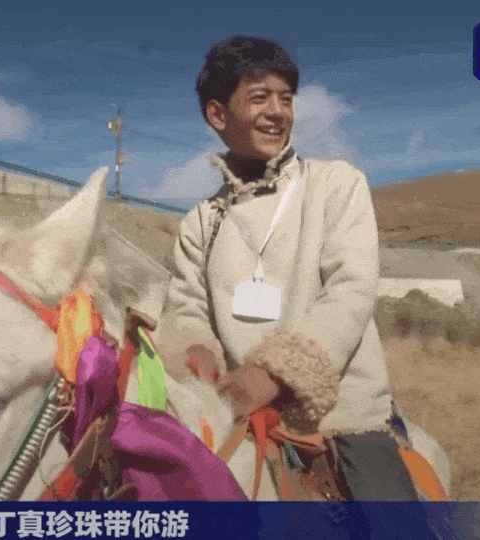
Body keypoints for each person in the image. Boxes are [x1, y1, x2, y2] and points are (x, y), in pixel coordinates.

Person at [156, 35, 423, 503]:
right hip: (234, 411)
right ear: (218, 114)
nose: (277, 112)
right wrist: (200, 360)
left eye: (286, 98)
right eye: (259, 98)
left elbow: (350, 289)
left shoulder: (336, 184)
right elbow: (186, 305)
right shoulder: (202, 220)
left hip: (341, 417)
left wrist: (271, 374)